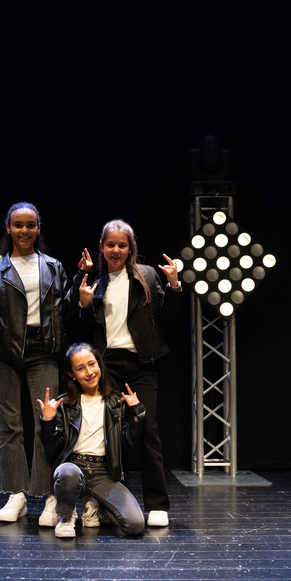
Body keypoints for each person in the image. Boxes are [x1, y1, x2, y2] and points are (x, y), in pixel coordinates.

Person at [0, 202, 83, 525]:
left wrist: (81, 278)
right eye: (18, 225)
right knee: (9, 426)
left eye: (30, 225)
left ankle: (49, 494)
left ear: (38, 228)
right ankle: (16, 494)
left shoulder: (53, 267)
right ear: (8, 228)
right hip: (5, 354)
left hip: (44, 351)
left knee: (47, 424)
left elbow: (66, 310)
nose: (24, 231)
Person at [75, 219, 182, 527]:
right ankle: (113, 504)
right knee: (111, 436)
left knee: (146, 431)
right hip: (106, 366)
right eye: (111, 245)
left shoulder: (146, 275)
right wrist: (84, 305)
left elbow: (166, 317)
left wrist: (174, 286)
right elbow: (81, 328)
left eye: (122, 245)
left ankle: (157, 505)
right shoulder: (93, 279)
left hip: (141, 365)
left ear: (130, 248)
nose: (116, 250)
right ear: (101, 246)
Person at [38, 342, 146, 539]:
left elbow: (128, 442)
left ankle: (98, 506)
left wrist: (137, 411)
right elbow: (52, 447)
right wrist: (47, 421)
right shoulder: (64, 404)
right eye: (80, 368)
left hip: (104, 473)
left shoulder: (115, 402)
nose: (89, 372)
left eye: (92, 364)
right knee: (66, 471)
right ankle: (66, 517)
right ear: (72, 374)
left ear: (99, 364)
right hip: (73, 468)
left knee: (135, 525)